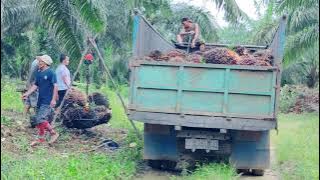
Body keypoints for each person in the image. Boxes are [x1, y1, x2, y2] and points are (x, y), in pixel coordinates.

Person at [22, 54, 59, 146]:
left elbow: (56, 86)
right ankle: (41, 139)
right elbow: (35, 85)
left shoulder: (51, 73)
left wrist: (54, 99)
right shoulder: (39, 73)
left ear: (46, 63)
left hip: (48, 100)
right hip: (40, 99)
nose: (39, 63)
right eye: (39, 61)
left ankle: (53, 133)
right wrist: (27, 93)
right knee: (38, 120)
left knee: (40, 119)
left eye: (41, 61)